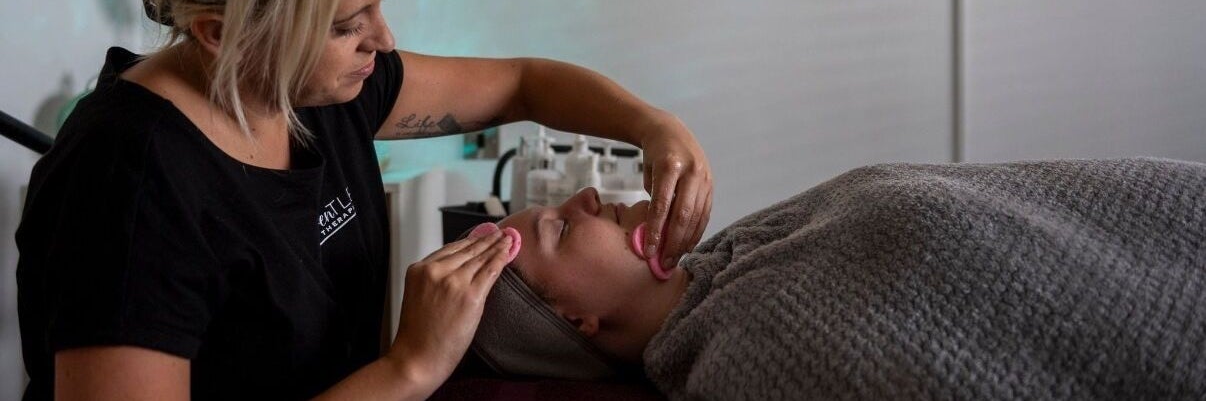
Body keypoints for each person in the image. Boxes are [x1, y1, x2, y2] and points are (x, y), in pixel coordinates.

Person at [15, 0, 713, 401]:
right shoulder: (130, 183)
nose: (382, 39)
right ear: (223, 34)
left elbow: (523, 85)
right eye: (346, 24)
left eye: (381, 1)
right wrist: (408, 368)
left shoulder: (319, 90)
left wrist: (654, 127)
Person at [476, 157, 1206, 400]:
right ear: (575, 320)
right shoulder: (744, 358)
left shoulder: (736, 254)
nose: (586, 196)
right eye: (561, 229)